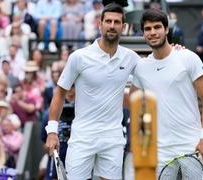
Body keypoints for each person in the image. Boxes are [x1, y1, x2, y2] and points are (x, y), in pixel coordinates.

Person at [45, 3, 140, 179]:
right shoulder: (79, 57)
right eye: (108, 21)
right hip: (82, 137)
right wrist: (52, 131)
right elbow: (59, 94)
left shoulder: (131, 58)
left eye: (117, 22)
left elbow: (157, 66)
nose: (112, 25)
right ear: (100, 24)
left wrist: (176, 51)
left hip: (113, 138)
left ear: (123, 27)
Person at [131, 9, 203, 177]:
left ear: (167, 29)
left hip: (191, 145)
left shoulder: (187, 58)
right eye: (148, 29)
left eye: (157, 27)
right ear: (143, 33)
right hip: (158, 151)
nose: (153, 32)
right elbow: (136, 107)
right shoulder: (140, 68)